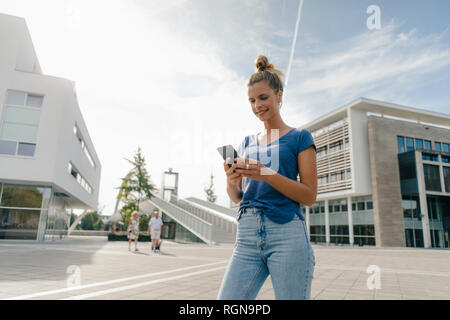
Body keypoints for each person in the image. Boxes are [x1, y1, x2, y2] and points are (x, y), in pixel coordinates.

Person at [217, 55, 317, 300]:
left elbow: (309, 195)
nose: (257, 105)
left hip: (286, 234)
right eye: (251, 100)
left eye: (263, 98)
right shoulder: (247, 143)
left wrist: (268, 174)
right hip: (247, 236)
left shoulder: (300, 138)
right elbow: (238, 197)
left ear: (279, 96)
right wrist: (231, 179)